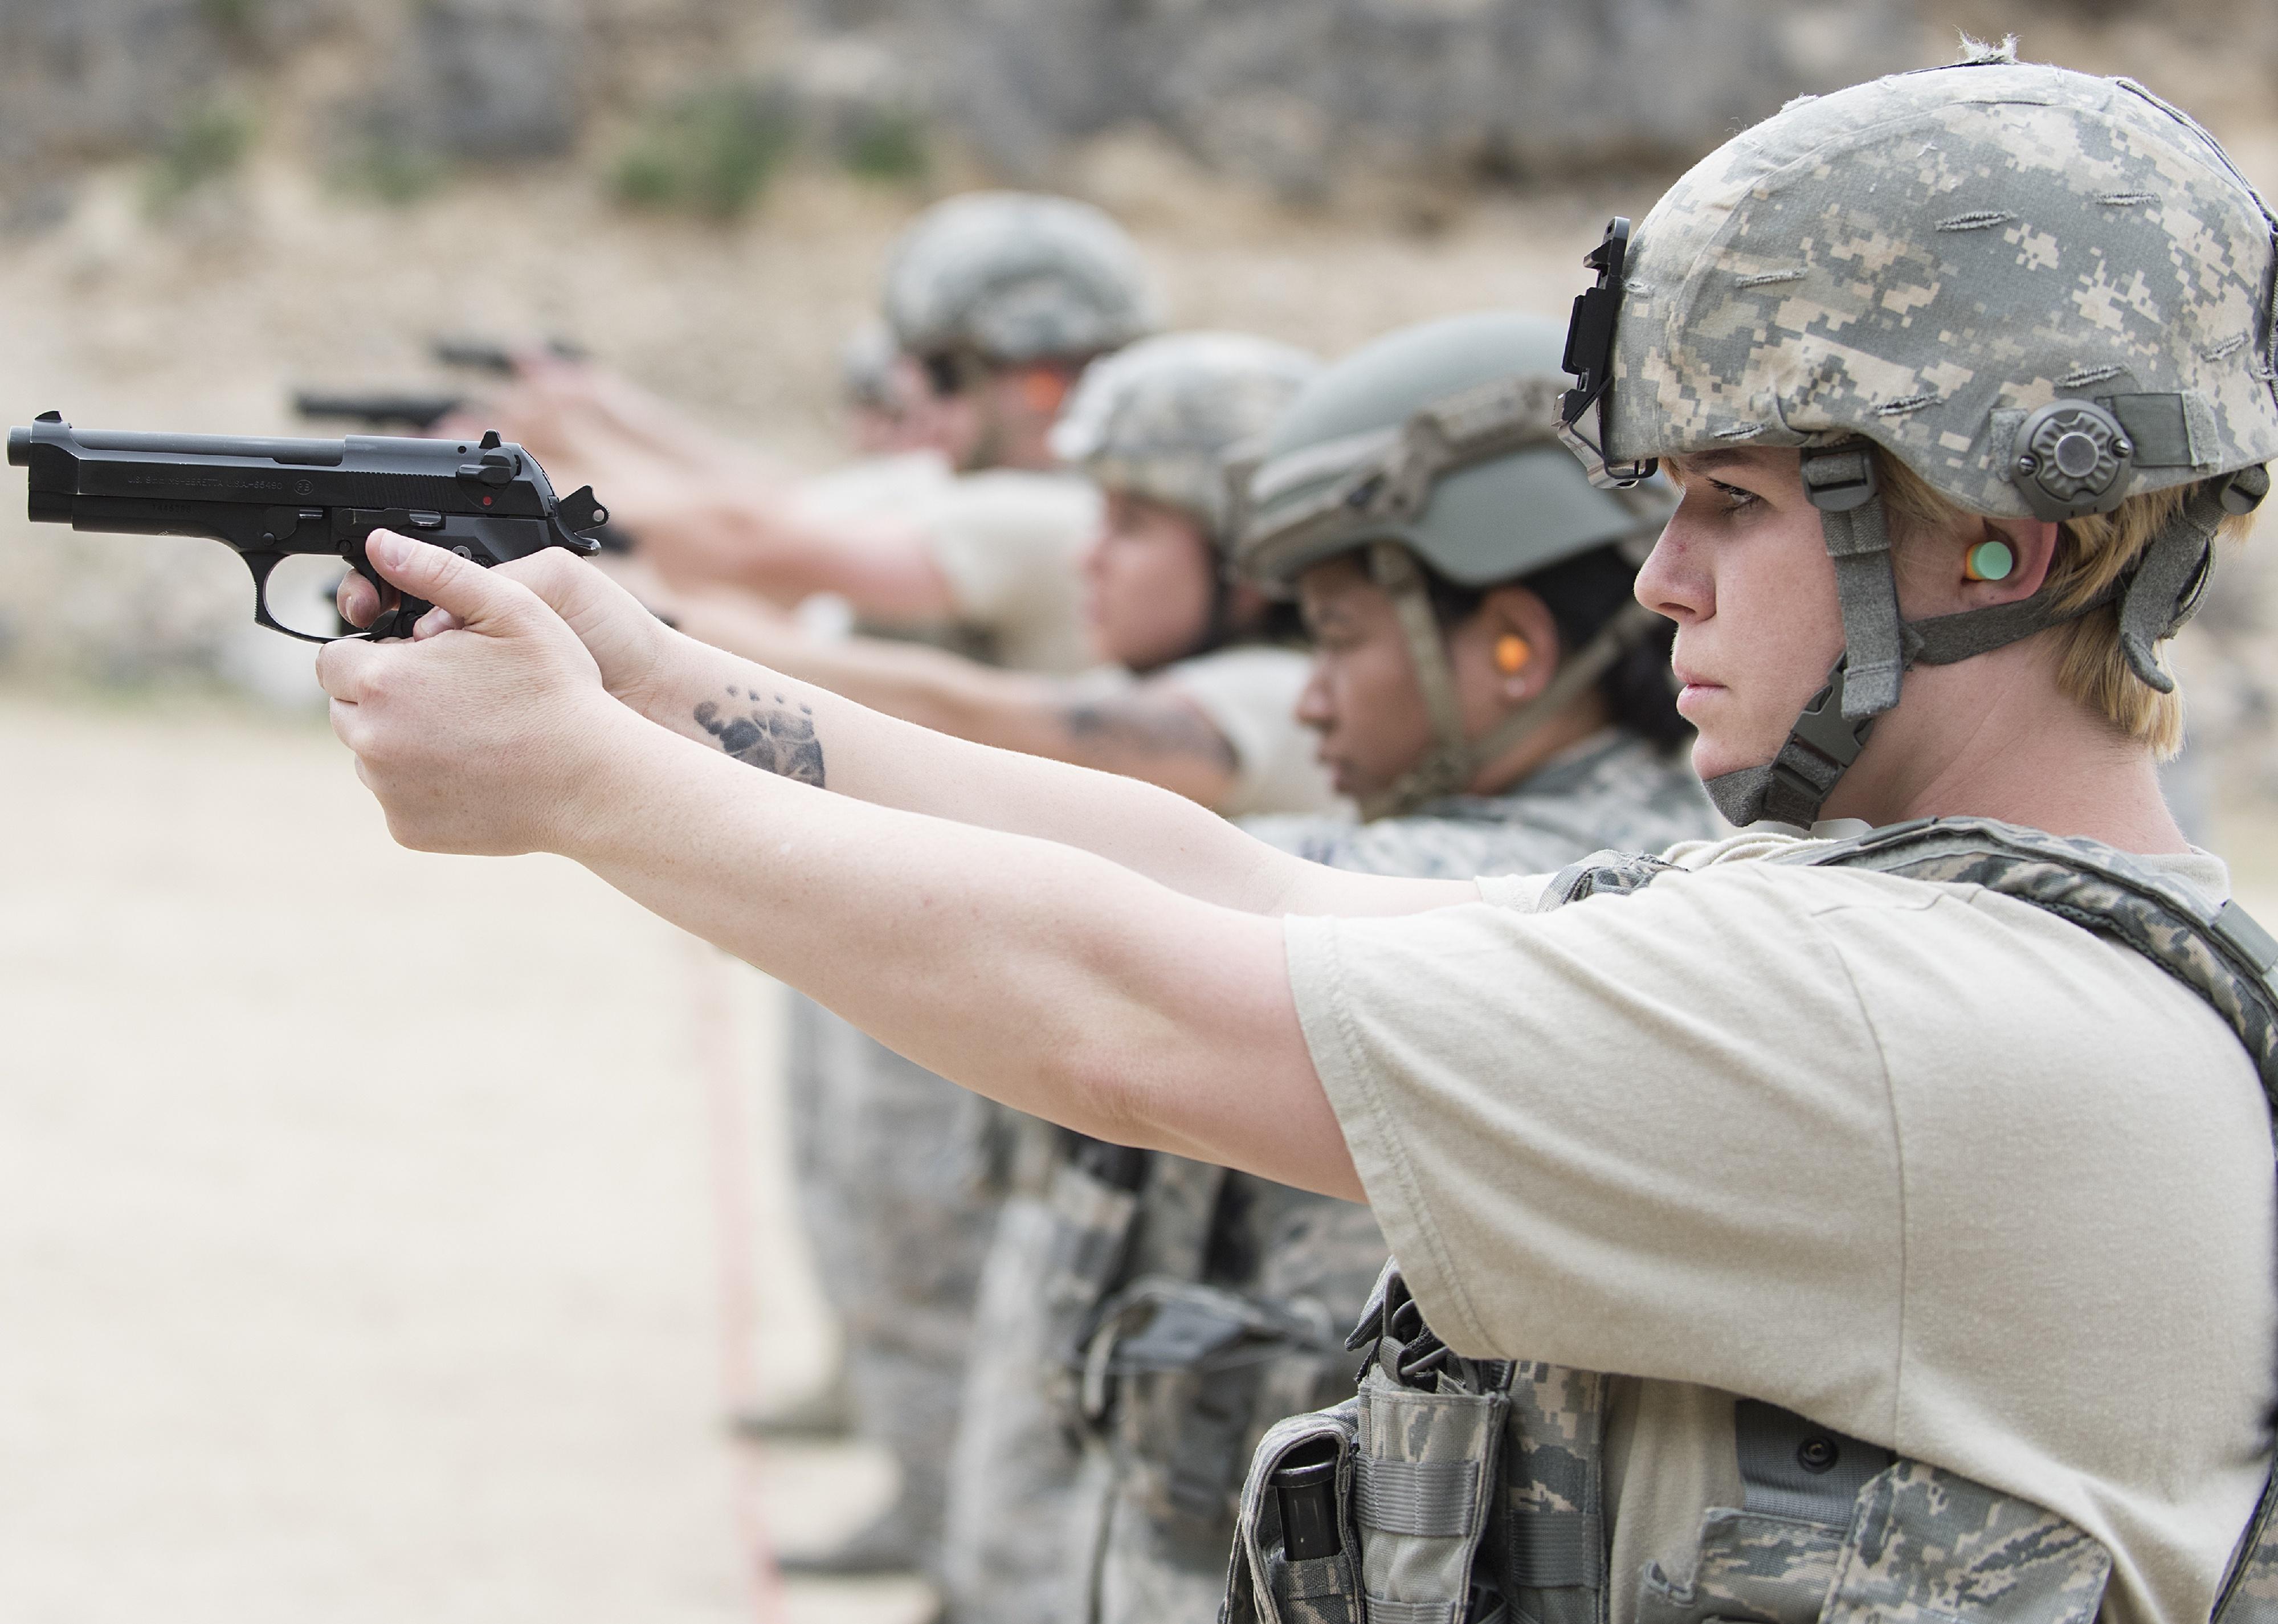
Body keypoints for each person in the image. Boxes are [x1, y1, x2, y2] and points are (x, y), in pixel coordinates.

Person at [322, 50, 2278, 1623]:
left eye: (1736, 505)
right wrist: (657, 684)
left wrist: (581, 787)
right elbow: (1237, 887)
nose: (1658, 580)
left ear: (1991, 538)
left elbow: (1136, 1020)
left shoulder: (1902, 1024)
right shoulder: (1923, 948)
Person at [939, 310, 1721, 1624]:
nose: (1310, 698)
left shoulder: (1528, 890)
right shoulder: (1664, 852)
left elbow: (1088, 903)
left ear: (1514, 642)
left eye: (1343, 639)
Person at [656, 330, 1341, 816]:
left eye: (1130, 527)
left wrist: (661, 638)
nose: (1088, 556)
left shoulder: (1283, 698)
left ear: (1249, 562)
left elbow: (971, 718)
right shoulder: (1167, 683)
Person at [482, 189, 1161, 675]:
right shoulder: (988, 491)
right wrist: (589, 422)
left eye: (945, 372)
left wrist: (504, 491)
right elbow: (777, 500)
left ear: (1036, 378)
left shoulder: (1052, 515)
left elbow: (750, 541)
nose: (915, 395)